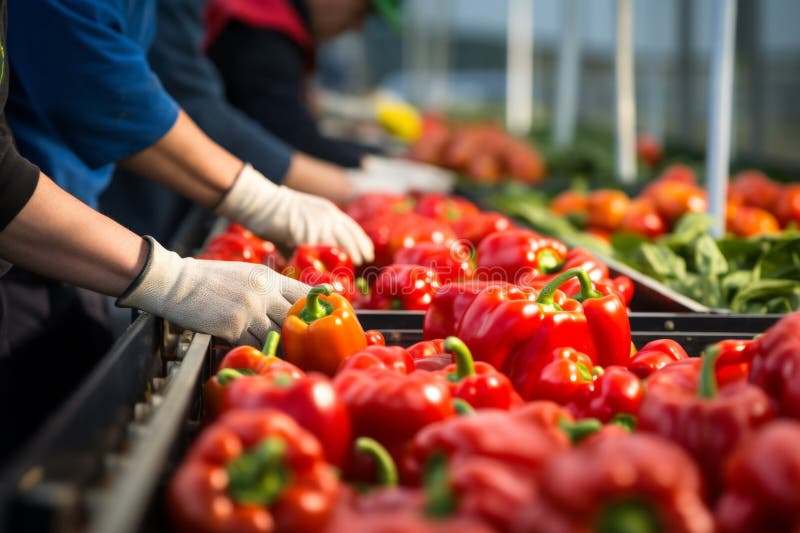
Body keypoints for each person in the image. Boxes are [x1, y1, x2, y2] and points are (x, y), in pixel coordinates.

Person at [2, 0, 372, 456]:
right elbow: (95, 86)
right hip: (30, 235)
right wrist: (173, 277)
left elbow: (165, 82)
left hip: (61, 223)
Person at [205, 0, 393, 167]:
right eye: (363, 11)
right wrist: (374, 161)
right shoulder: (263, 31)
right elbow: (290, 140)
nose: (359, 27)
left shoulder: (275, 22)